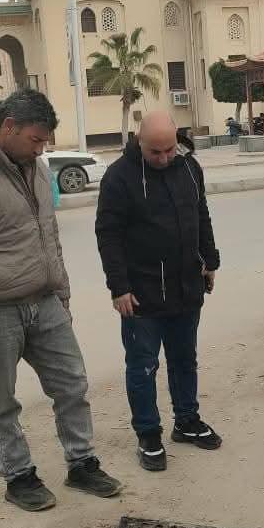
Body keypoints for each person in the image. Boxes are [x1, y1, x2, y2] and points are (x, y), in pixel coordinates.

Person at [0, 89, 121, 512]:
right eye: (36, 139)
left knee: (72, 385)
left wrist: (63, 297)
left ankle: (82, 464)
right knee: (2, 403)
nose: (42, 148)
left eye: (46, 141)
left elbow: (48, 237)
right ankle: (19, 477)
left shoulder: (34, 166)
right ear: (8, 127)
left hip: (45, 301)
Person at [95, 111, 222, 471]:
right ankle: (148, 434)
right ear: (139, 142)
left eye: (170, 150)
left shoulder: (189, 167)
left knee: (185, 360)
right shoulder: (119, 177)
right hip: (142, 295)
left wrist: (209, 260)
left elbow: (201, 215)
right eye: (156, 152)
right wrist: (118, 287)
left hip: (186, 287)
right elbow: (108, 235)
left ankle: (187, 421)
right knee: (143, 367)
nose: (165, 158)